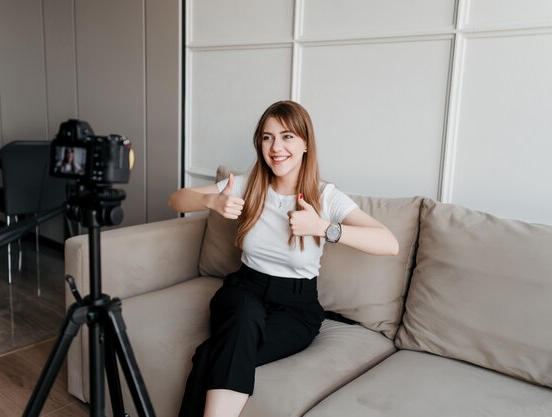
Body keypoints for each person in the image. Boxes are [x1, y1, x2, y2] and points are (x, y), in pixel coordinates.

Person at [169, 100, 399, 417]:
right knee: (244, 319)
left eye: (287, 136)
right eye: (267, 137)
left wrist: (324, 228)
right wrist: (211, 201)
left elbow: (389, 243)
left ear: (305, 143)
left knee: (213, 353)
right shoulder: (248, 185)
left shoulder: (325, 196)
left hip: (297, 307)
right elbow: (176, 199)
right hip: (243, 290)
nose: (276, 147)